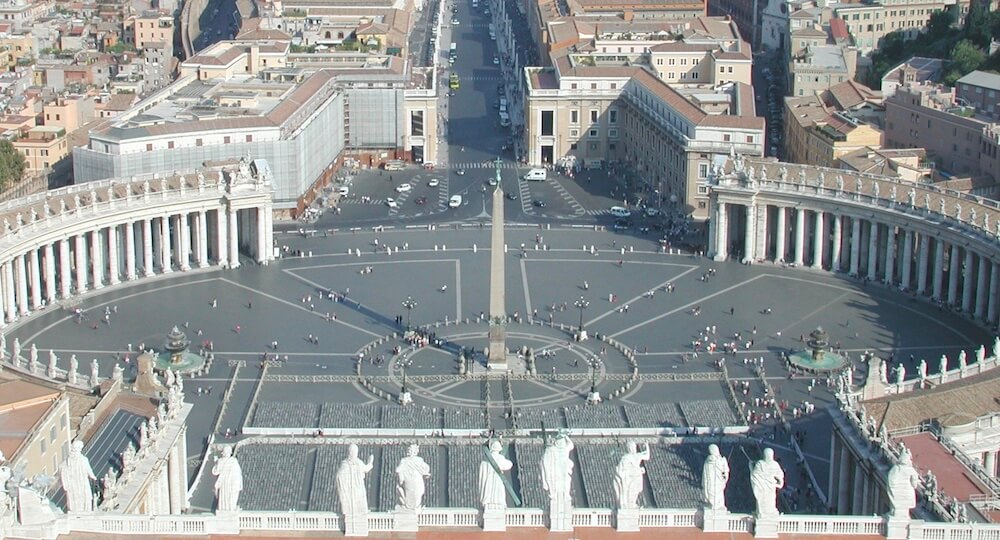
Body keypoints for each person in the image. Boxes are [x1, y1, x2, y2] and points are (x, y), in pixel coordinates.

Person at [337, 444, 374, 517]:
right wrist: (370, 461)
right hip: (358, 488)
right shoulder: (358, 462)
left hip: (350, 491)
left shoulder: (345, 463)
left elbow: (339, 476)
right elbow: (366, 468)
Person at [60, 440, 96, 513]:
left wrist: (92, 476)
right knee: (81, 496)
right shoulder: (82, 460)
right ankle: (83, 510)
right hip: (78, 482)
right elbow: (88, 469)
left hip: (76, 483)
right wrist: (93, 476)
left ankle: (81, 510)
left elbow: (63, 472)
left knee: (79, 497)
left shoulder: (67, 461)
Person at [613, 441, 650, 510]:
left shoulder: (636, 456)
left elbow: (647, 456)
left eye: (634, 447)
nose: (633, 449)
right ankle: (630, 504)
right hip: (631, 477)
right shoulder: (626, 457)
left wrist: (647, 446)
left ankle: (631, 503)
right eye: (631, 447)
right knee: (631, 491)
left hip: (636, 477)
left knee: (636, 490)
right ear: (629, 448)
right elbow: (621, 469)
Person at [887, 447, 921, 518]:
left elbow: (891, 480)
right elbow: (914, 485)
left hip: (897, 492)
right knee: (904, 507)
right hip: (907, 492)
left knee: (898, 507)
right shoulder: (911, 470)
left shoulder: (896, 468)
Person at [750, 448, 784, 517]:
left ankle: (762, 512)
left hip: (762, 488)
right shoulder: (775, 465)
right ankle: (770, 512)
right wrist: (778, 483)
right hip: (771, 488)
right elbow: (780, 475)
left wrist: (751, 466)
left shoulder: (760, 464)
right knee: (770, 502)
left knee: (762, 501)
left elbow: (755, 474)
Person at [395, 444, 431, 510]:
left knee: (416, 494)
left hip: (413, 480)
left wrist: (401, 479)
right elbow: (426, 468)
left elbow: (398, 470)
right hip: (413, 480)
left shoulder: (406, 460)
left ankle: (411, 507)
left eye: (410, 450)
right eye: (409, 450)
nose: (408, 451)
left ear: (414, 451)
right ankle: (412, 507)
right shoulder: (415, 460)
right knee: (415, 494)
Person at [480, 440, 513, 511]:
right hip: (498, 480)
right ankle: (498, 503)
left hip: (489, 481)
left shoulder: (485, 461)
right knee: (499, 492)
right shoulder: (500, 458)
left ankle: (488, 502)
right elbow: (509, 464)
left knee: (489, 491)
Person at [212, 445, 243, 512]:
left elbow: (215, 472)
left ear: (224, 452)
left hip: (224, 484)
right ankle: (231, 508)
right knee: (231, 498)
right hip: (232, 484)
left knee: (224, 498)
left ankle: (224, 509)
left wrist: (216, 462)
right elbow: (238, 474)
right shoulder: (234, 461)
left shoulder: (220, 461)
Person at [702, 444, 730, 511]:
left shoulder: (708, 461)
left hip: (712, 483)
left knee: (713, 493)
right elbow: (725, 472)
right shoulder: (721, 461)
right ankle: (716, 505)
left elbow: (705, 474)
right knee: (716, 494)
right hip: (716, 482)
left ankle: (714, 505)